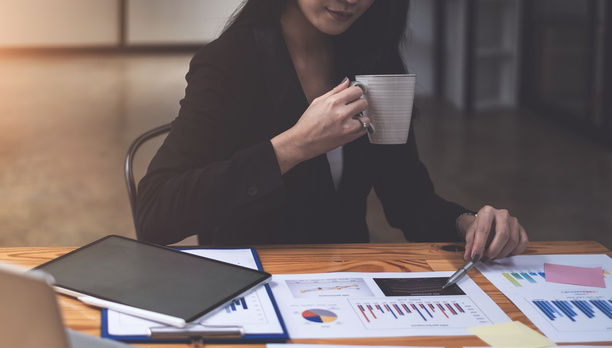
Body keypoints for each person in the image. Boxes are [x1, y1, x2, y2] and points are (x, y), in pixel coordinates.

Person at [136, 0, 528, 262]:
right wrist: (293, 147)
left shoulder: (373, 57)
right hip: (250, 285)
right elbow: (154, 215)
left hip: (347, 283)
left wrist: (470, 223)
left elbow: (407, 197)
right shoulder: (229, 61)